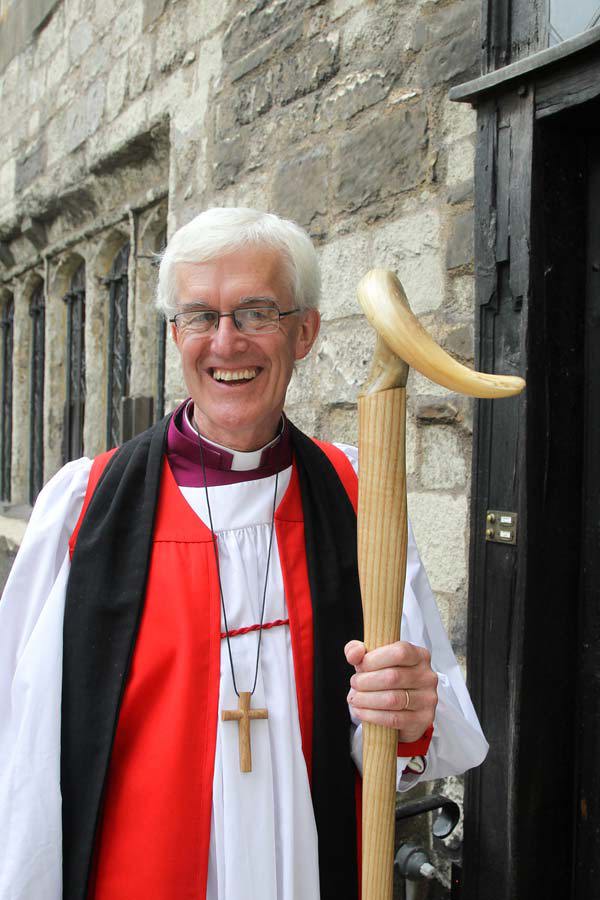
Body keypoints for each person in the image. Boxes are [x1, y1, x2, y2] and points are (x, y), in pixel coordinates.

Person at [0, 208, 488, 900]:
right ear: (176, 335)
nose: (226, 342)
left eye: (256, 312)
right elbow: (20, 751)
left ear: (305, 331)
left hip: (307, 871)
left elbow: (405, 731)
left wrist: (406, 710)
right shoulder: (84, 507)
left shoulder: (358, 495)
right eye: (200, 316)